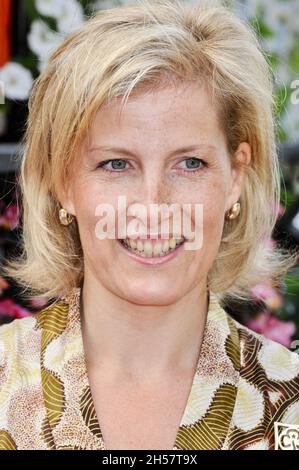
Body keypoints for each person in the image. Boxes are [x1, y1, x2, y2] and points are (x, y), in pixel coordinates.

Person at [0, 0, 299, 451]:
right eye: (116, 163)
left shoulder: (290, 403)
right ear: (63, 181)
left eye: (190, 163)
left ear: (235, 177)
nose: (153, 205)